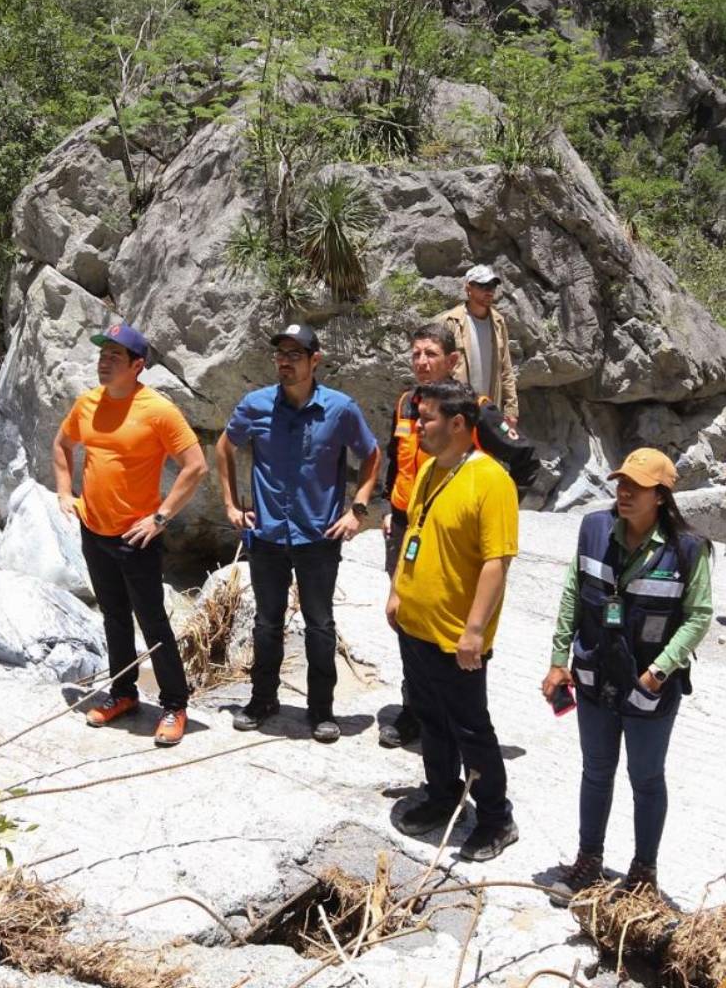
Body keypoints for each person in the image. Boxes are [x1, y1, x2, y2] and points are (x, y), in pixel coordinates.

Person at [541, 448, 712, 897]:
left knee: (646, 778)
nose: (624, 491)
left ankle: (643, 873)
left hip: (648, 688)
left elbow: (698, 616)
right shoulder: (594, 529)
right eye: (621, 482)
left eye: (636, 486)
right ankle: (588, 861)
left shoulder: (688, 550)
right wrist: (560, 660)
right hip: (595, 676)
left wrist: (658, 672)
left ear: (661, 495)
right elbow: (572, 594)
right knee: (596, 771)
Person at [215, 323, 381, 743]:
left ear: (314, 360)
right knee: (267, 623)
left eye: (295, 354)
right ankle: (262, 699)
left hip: (318, 537)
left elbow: (372, 454)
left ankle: (321, 710)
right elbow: (224, 447)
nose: (285, 362)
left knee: (320, 624)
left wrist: (356, 511)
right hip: (268, 535)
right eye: (280, 354)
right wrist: (232, 505)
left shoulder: (340, 409)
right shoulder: (256, 405)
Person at [52, 322, 208, 746]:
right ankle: (124, 694)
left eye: (114, 357)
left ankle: (175, 705)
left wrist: (160, 517)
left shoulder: (157, 410)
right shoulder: (87, 404)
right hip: (94, 529)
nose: (104, 362)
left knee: (153, 620)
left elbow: (195, 466)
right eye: (103, 354)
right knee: (113, 616)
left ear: (137, 365)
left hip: (136, 536)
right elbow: (62, 445)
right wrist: (66, 493)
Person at [385, 382, 520, 861]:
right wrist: (398, 590)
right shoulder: (428, 471)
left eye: (429, 418)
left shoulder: (491, 481)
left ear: (459, 424)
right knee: (431, 721)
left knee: (470, 729)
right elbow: (412, 534)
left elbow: (496, 562)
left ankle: (495, 818)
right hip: (417, 628)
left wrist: (475, 631)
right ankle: (443, 796)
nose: (418, 425)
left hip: (457, 638)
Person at [379, 322, 459, 749]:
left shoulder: (465, 407)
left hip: (444, 528)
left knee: (443, 617)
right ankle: (414, 708)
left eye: (431, 354)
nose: (422, 362)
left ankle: (449, 709)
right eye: (416, 354)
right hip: (404, 522)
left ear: (452, 361)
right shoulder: (406, 403)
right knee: (404, 617)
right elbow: (396, 459)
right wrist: (389, 509)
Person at [438, 264, 518, 425]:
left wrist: (511, 410)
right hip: (458, 412)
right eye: (482, 285)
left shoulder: (498, 322)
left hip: (489, 411)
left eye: (493, 285)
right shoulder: (450, 322)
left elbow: (506, 369)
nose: (489, 290)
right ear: (468, 288)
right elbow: (439, 370)